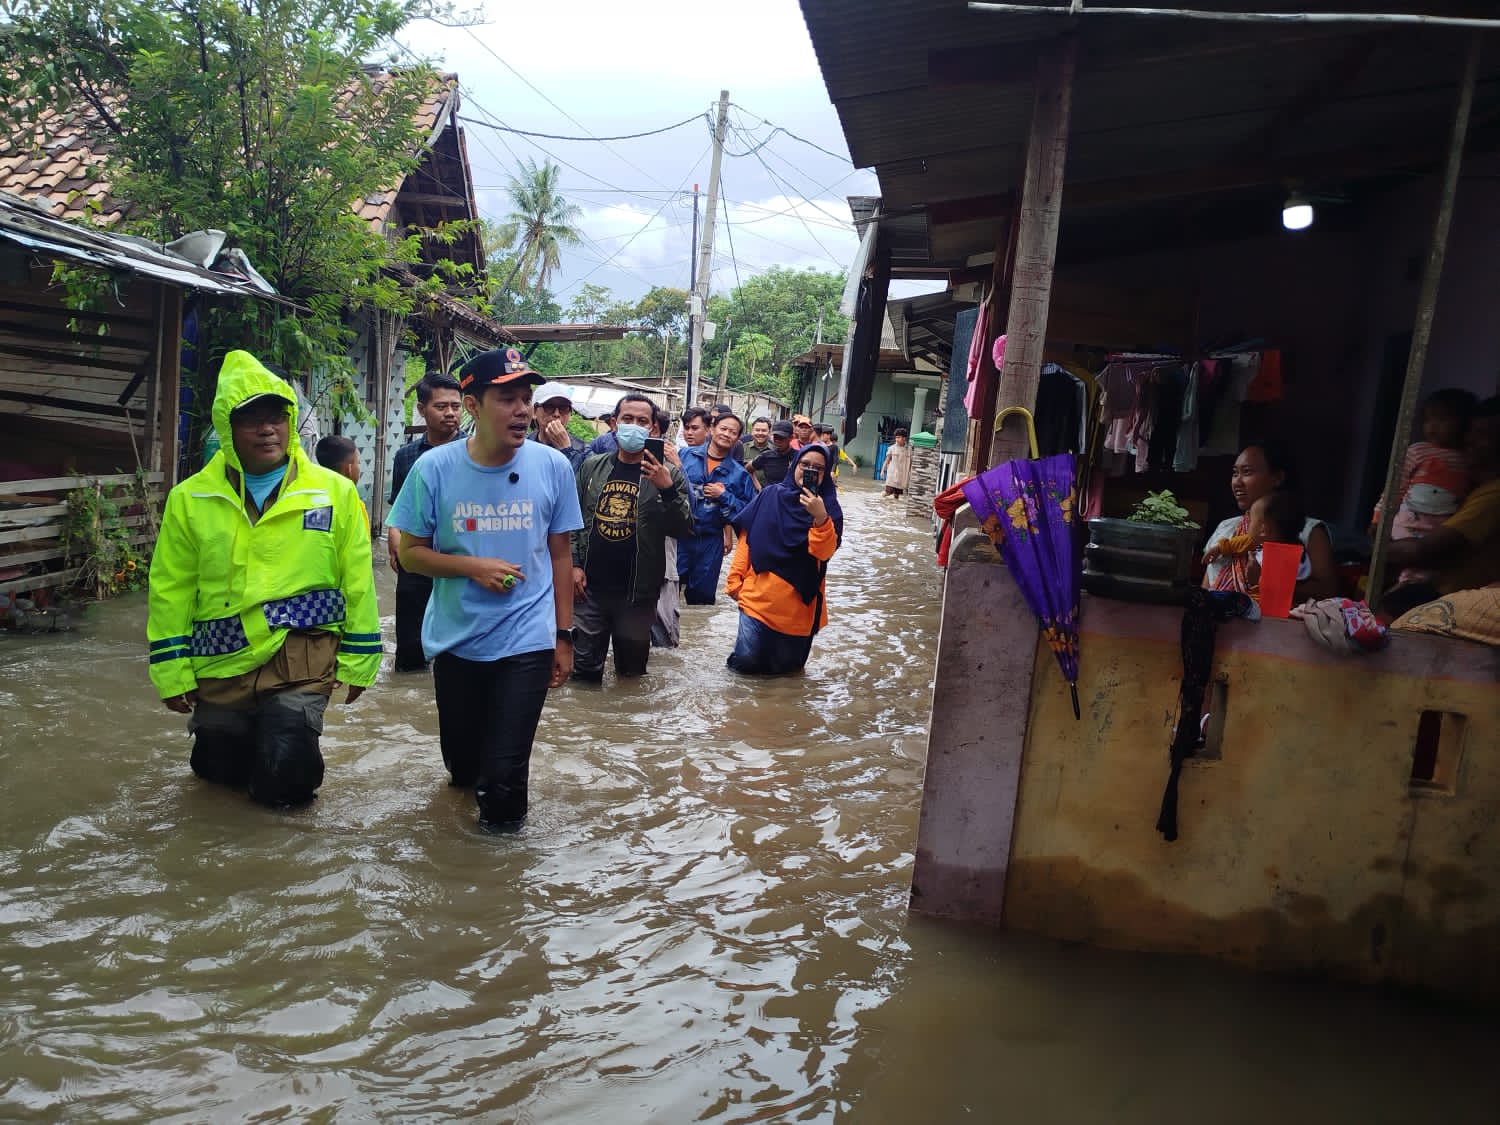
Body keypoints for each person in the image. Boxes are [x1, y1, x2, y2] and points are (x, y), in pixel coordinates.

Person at [146, 350, 380, 808]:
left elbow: (357, 577)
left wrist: (360, 659)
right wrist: (171, 670)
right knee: (218, 774)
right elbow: (171, 587)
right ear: (227, 429)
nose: (267, 428)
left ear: (290, 422)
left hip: (303, 656)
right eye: (252, 419)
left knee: (287, 770)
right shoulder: (190, 498)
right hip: (221, 659)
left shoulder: (334, 492)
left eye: (276, 416)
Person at [387, 346, 582, 833]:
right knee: (462, 769)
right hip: (458, 639)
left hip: (528, 640)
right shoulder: (433, 469)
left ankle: (498, 888)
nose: (522, 410)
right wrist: (472, 567)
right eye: (507, 399)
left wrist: (564, 635)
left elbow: (560, 555)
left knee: (503, 784)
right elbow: (409, 554)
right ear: (472, 406)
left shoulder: (554, 466)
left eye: (526, 399)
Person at [572, 393, 693, 681]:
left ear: (652, 429)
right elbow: (572, 520)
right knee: (583, 674)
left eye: (642, 421)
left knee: (631, 675)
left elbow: (683, 529)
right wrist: (574, 564)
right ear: (614, 423)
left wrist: (666, 489)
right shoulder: (592, 467)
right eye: (627, 419)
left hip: (638, 594)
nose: (634, 425)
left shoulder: (670, 475)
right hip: (589, 590)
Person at [725, 444, 842, 676]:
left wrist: (819, 517)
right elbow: (748, 537)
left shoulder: (828, 509)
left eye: (818, 468)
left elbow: (823, 552)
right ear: (794, 465)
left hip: (799, 611)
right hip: (756, 602)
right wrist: (734, 581)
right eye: (804, 465)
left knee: (786, 678)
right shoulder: (771, 495)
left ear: (825, 474)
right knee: (744, 671)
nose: (809, 471)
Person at [1383, 397, 1500, 616]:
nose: (1469, 440)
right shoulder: (1468, 485)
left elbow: (1423, 550)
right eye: (1470, 432)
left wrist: (1372, 549)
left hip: (1447, 602)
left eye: (1483, 435)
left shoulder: (1494, 495)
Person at [387, 372, 464, 672]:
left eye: (455, 407)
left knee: (457, 648)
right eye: (441, 406)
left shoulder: (474, 453)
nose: (450, 414)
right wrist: (395, 539)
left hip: (459, 560)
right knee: (409, 647)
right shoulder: (406, 457)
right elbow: (399, 508)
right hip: (416, 559)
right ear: (421, 409)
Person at [1201, 440, 1337, 600]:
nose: (1237, 482)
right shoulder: (1226, 527)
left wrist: (1265, 581)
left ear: (1277, 478)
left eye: (1247, 472)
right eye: (1235, 473)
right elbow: (1206, 588)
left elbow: (1326, 591)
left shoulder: (1308, 530)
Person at [1369, 387, 1477, 586]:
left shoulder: (1468, 459)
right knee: (1392, 570)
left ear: (1464, 423)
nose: (1432, 426)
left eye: (1442, 420)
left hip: (1438, 533)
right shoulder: (1417, 451)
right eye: (1428, 420)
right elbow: (1395, 488)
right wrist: (1378, 518)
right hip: (1406, 525)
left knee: (1424, 577)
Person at [677, 412, 756, 604]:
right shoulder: (684, 456)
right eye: (723, 429)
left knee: (701, 602)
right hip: (679, 536)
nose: (727, 434)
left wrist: (724, 496)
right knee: (666, 593)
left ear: (738, 439)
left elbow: (748, 515)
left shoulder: (739, 475)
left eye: (733, 432)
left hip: (710, 541)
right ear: (712, 429)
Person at [1201, 489, 1308, 600]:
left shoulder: (1286, 556)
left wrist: (1257, 578)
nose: (1248, 523)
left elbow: (1277, 593)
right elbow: (1243, 541)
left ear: (1263, 529)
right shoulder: (1258, 540)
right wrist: (1220, 548)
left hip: (1262, 605)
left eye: (1251, 520)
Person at [528, 381, 589, 469]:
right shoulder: (522, 446)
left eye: (563, 408)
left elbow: (580, 480)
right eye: (549, 407)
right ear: (534, 412)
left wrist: (566, 450)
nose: (556, 414)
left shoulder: (583, 451)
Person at [748, 419, 796, 490]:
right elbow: (748, 469)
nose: (778, 441)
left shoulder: (799, 456)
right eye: (776, 437)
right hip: (770, 497)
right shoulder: (766, 456)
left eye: (782, 438)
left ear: (791, 438)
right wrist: (760, 488)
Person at [882, 427, 912, 499]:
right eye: (896, 437)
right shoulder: (892, 448)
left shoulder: (910, 449)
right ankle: (879, 501)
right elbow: (887, 460)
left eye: (899, 437)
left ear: (904, 438)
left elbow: (911, 463)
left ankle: (894, 509)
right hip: (892, 475)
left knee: (896, 495)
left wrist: (911, 474)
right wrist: (882, 470)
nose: (897, 439)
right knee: (887, 492)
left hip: (902, 477)